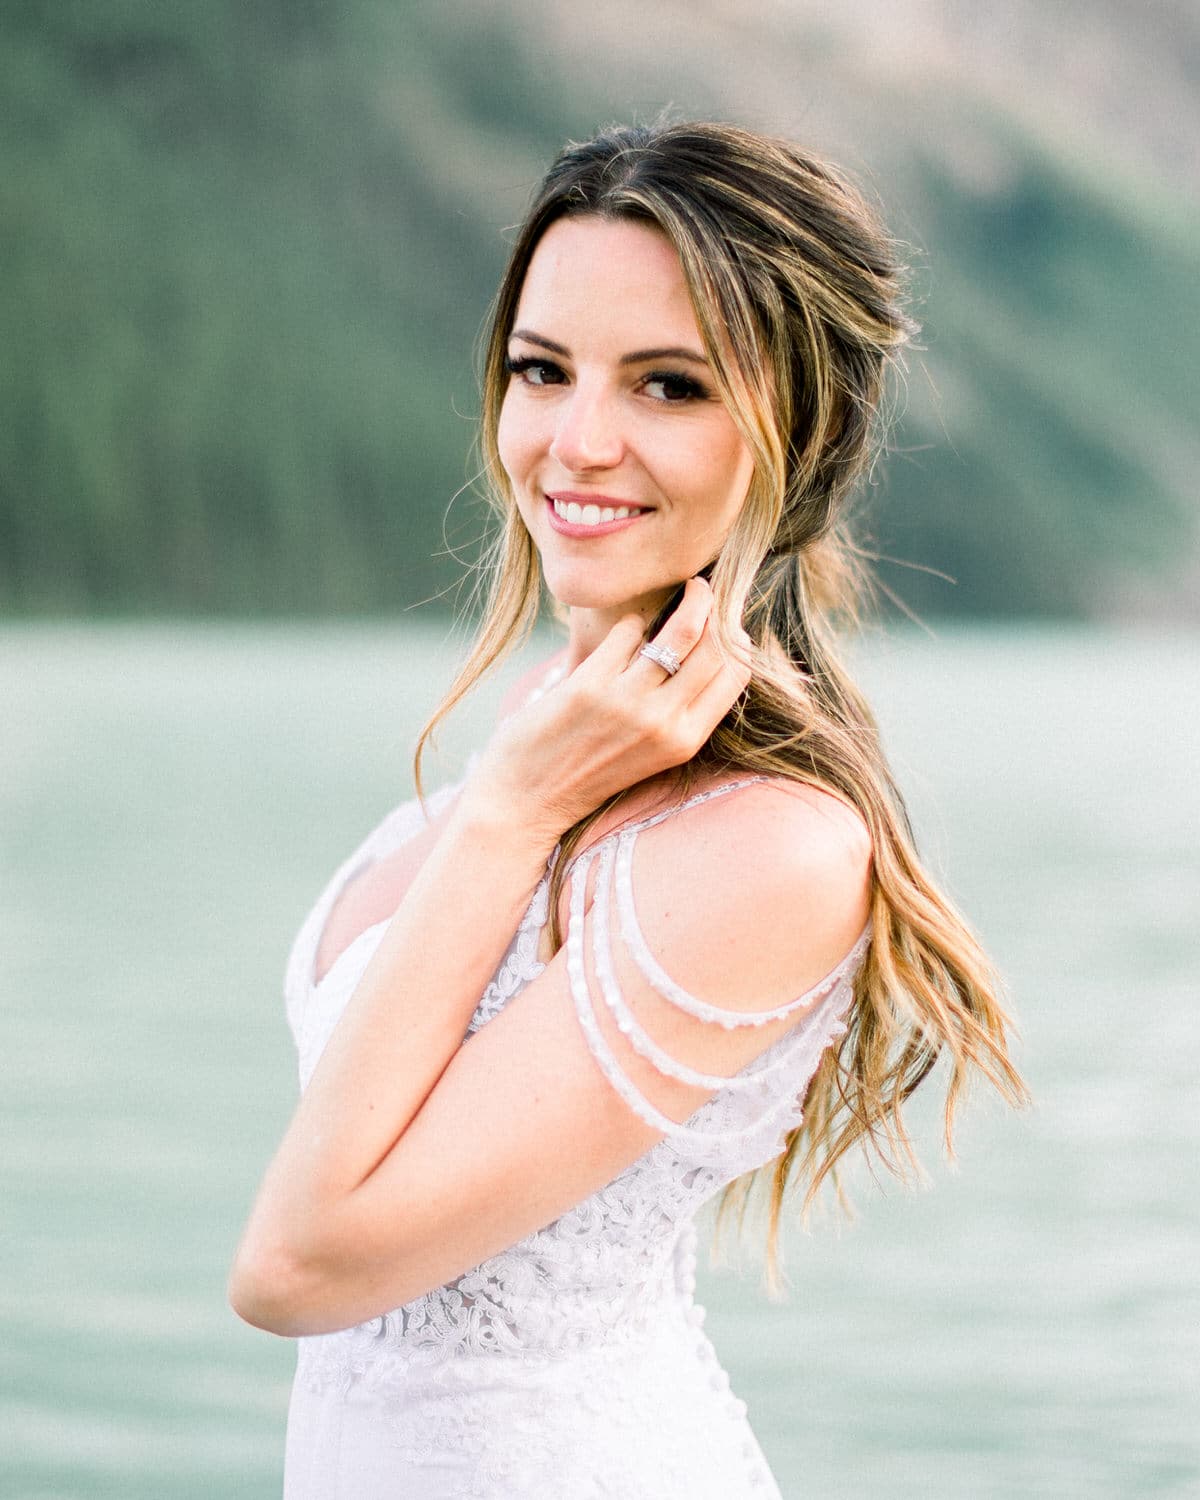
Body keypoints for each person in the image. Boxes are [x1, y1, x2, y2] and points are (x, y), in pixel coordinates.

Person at [229, 120, 1027, 1498]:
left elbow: (301, 1267)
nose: (576, 442)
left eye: (667, 385)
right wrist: (519, 793)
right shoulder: (542, 750)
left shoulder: (772, 848)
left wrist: (509, 813)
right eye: (542, 372)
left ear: (800, 430)